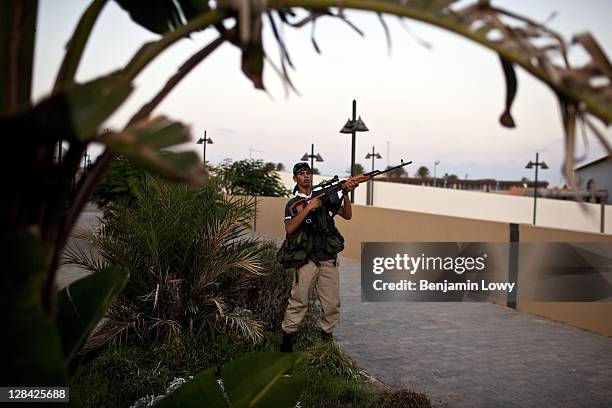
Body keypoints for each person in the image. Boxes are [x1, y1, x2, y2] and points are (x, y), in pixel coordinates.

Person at [277, 162, 359, 352]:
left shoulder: (322, 196)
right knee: (298, 301)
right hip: (305, 260)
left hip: (327, 258)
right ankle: (286, 344)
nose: (306, 176)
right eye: (301, 173)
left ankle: (325, 343)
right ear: (295, 178)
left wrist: (345, 193)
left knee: (331, 304)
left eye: (308, 172)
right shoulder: (292, 204)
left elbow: (347, 215)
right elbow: (289, 228)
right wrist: (308, 207)